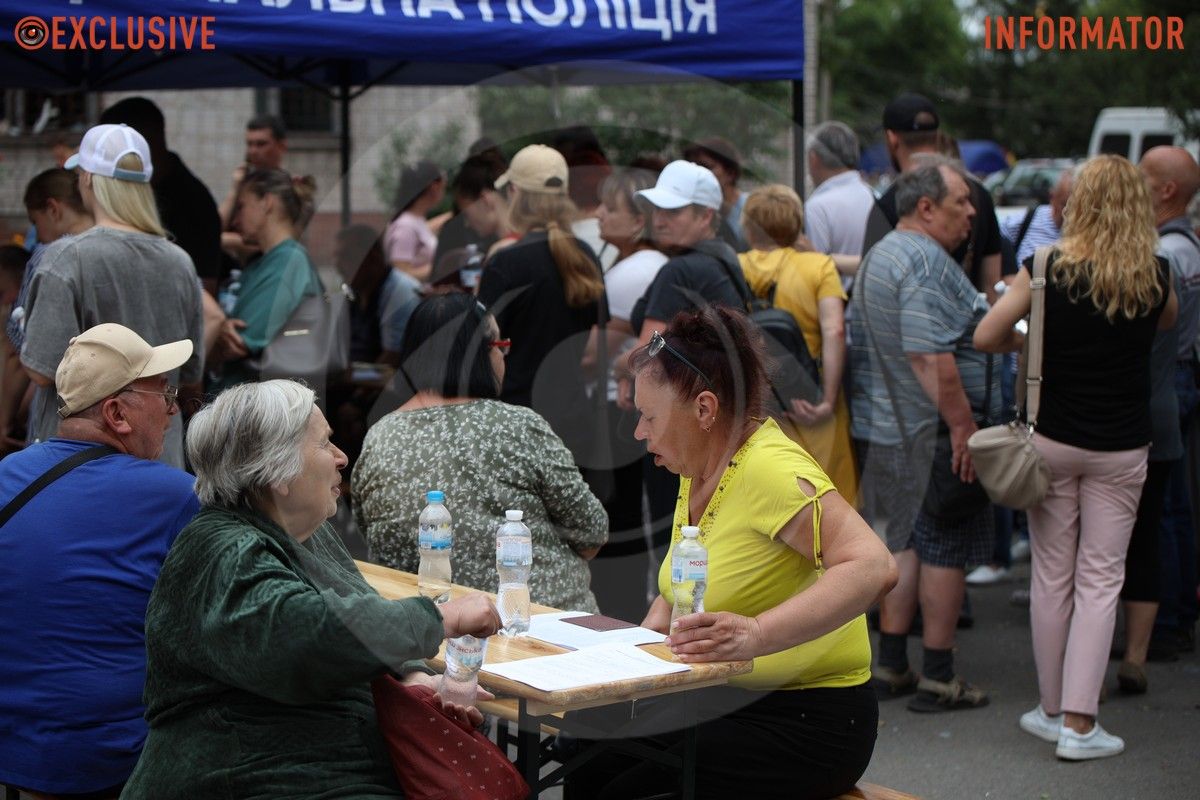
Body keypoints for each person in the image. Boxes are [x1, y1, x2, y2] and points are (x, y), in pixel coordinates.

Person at [566, 306, 896, 800]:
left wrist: (757, 634)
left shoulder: (770, 468)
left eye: (649, 417)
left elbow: (874, 566)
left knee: (623, 787)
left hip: (809, 720)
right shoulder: (699, 463)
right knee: (585, 753)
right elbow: (679, 589)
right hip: (724, 697)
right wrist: (625, 661)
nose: (639, 432)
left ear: (704, 409)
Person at [121, 379, 501, 798]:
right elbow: (304, 635)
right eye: (324, 445)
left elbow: (357, 609)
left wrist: (411, 674)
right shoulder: (219, 547)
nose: (342, 458)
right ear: (276, 470)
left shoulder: (306, 532)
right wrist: (444, 617)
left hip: (322, 766)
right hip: (248, 775)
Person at [975, 154, 1176, 760]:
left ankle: (1052, 708)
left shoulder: (1044, 267)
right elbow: (1166, 326)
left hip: (1053, 438)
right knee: (1100, 579)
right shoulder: (1156, 273)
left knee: (1051, 575)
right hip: (1123, 445)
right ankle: (1081, 725)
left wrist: (1030, 339)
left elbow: (988, 335)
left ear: (1080, 203)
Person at [0, 324, 199, 798]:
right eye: (163, 394)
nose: (172, 410)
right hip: (108, 759)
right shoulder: (173, 496)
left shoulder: (6, 474)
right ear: (116, 413)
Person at [848, 160, 998, 713]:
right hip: (928, 432)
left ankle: (891, 663)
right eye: (961, 201)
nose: (972, 212)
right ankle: (938, 674)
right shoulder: (927, 261)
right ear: (926, 207)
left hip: (881, 429)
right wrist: (963, 426)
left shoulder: (881, 254)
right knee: (943, 547)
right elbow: (927, 352)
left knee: (901, 544)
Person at [353, 292, 608, 612]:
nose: (504, 357)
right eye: (501, 346)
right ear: (481, 354)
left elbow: (373, 534)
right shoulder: (519, 426)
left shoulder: (379, 438)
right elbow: (592, 533)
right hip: (540, 622)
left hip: (425, 628)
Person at [21, 124, 205, 470]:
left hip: (81, 464)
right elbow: (192, 375)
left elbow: (43, 371)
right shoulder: (180, 262)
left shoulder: (66, 259)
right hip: (159, 460)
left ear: (87, 179)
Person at [619, 159, 750, 556]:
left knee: (675, 544)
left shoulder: (680, 270)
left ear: (706, 214)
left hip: (676, 422)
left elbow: (647, 354)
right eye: (657, 208)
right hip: (714, 419)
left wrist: (616, 364)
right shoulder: (727, 259)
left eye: (673, 210)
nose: (659, 219)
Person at [478, 144, 607, 471]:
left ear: (514, 192)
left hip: (514, 423)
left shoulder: (505, 262)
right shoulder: (585, 256)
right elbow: (593, 349)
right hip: (574, 420)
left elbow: (480, 347)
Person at [738, 184, 856, 504]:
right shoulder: (818, 267)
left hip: (757, 403)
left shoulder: (736, 267)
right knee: (827, 501)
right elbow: (834, 331)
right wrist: (828, 401)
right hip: (808, 395)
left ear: (749, 227)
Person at [588, 167, 667, 620]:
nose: (599, 213)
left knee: (624, 511)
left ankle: (626, 608)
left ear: (639, 220)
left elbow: (588, 353)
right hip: (633, 400)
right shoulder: (648, 265)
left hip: (619, 406)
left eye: (610, 207)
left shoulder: (630, 273)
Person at [1141, 146, 1200, 662]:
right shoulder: (1187, 246)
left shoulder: (1167, 254)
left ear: (1166, 191)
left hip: (1167, 382)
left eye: (1144, 176)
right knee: (1174, 508)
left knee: (1161, 513)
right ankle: (1177, 615)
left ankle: (1169, 622)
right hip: (1180, 379)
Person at [862, 93, 1003, 303]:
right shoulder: (976, 194)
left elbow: (875, 285)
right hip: (973, 327)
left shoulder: (890, 203)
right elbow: (993, 285)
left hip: (913, 327)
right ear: (937, 136)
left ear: (892, 139)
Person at [208, 168, 322, 391]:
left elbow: (236, 344)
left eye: (242, 206)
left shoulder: (288, 261)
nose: (236, 219)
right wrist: (221, 327)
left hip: (254, 407)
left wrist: (217, 328)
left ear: (267, 202)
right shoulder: (266, 261)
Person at [99, 96, 222, 295]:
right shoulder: (137, 186)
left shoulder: (192, 202)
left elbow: (204, 289)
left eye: (114, 146)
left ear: (144, 140)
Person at [804, 120, 875, 285]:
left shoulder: (817, 207)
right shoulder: (873, 197)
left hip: (835, 306)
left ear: (813, 159)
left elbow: (814, 273)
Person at [217, 114, 288, 264]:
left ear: (281, 146)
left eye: (261, 144)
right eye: (249, 144)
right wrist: (235, 190)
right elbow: (216, 227)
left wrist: (228, 240)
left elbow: (274, 242)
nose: (253, 151)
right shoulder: (244, 183)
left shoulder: (289, 188)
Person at [683, 136, 749, 251]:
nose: (698, 173)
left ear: (730, 173)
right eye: (693, 167)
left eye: (706, 167)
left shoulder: (752, 209)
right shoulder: (689, 209)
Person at [385, 160, 445, 282]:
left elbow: (430, 227)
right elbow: (400, 274)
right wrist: (440, 269)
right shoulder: (405, 227)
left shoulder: (415, 220)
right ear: (434, 187)